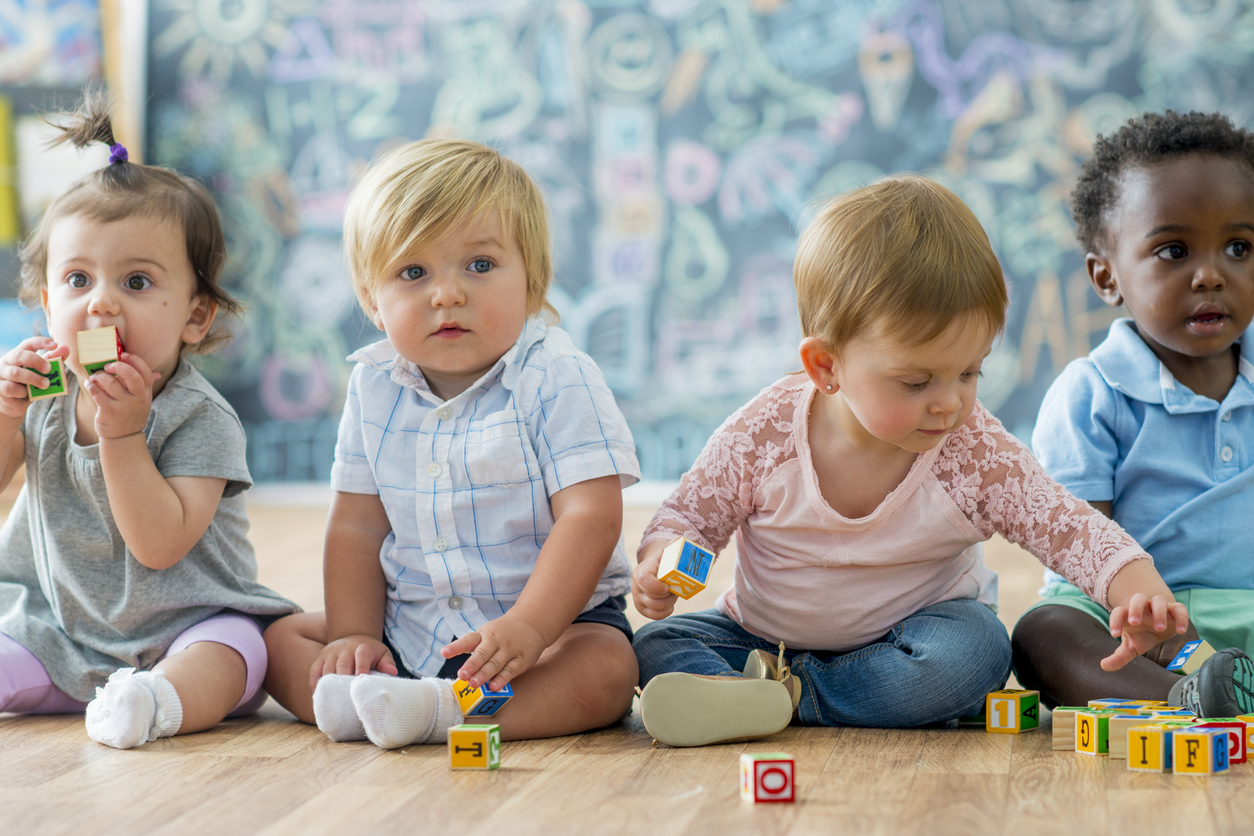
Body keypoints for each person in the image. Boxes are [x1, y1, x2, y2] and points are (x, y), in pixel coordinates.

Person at [630, 174, 1190, 747]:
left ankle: (785, 696)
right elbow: (690, 517)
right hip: (762, 640)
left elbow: (1063, 524)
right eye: (917, 381)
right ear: (826, 367)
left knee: (978, 652)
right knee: (653, 646)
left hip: (914, 639)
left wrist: (1137, 588)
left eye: (970, 372)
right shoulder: (764, 434)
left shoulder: (972, 449)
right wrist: (658, 566)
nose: (949, 402)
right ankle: (765, 688)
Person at [262, 139, 640, 748]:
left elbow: (591, 516)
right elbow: (356, 526)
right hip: (412, 631)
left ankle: (438, 711)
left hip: (538, 638)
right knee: (280, 640)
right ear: (372, 301)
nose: (447, 294)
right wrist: (354, 636)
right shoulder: (373, 385)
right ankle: (383, 694)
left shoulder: (555, 375)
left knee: (607, 670)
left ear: (533, 282)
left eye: (480, 266)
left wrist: (529, 626)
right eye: (413, 273)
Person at [0, 94, 297, 749]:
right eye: (78, 281)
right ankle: (101, 692)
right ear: (48, 305)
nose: (101, 303)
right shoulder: (45, 395)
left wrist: (124, 434)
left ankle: (153, 703)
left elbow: (160, 546)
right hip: (59, 628)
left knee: (240, 652)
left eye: (135, 283)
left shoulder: (200, 418)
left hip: (187, 626)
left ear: (195, 316)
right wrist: (5, 413)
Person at [1011, 111, 1254, 715]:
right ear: (1107, 276)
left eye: (1239, 248)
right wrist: (1148, 614)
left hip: (1247, 608)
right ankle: (1188, 695)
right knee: (1042, 633)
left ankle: (1230, 682)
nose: (1210, 274)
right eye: (1173, 250)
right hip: (1133, 619)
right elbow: (1079, 545)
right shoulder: (1090, 393)